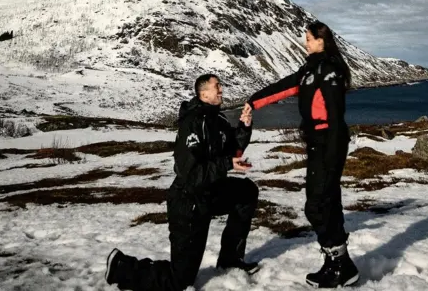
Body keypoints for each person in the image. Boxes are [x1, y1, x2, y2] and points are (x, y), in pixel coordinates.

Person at [105, 74, 259, 290]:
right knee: (180, 280)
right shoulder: (192, 123)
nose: (222, 90)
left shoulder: (219, 120)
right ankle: (123, 267)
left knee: (246, 192)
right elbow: (191, 173)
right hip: (188, 202)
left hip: (210, 193)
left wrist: (244, 126)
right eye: (218, 87)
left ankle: (230, 260)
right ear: (203, 93)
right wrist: (226, 164)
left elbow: (233, 148)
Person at [246, 21, 359, 288]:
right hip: (316, 142)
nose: (305, 42)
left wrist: (332, 151)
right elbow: (284, 87)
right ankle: (339, 264)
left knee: (319, 204)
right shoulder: (309, 69)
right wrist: (253, 101)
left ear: (321, 40)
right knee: (324, 202)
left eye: (308, 38)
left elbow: (334, 114)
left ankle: (339, 263)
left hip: (329, 142)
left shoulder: (330, 70)